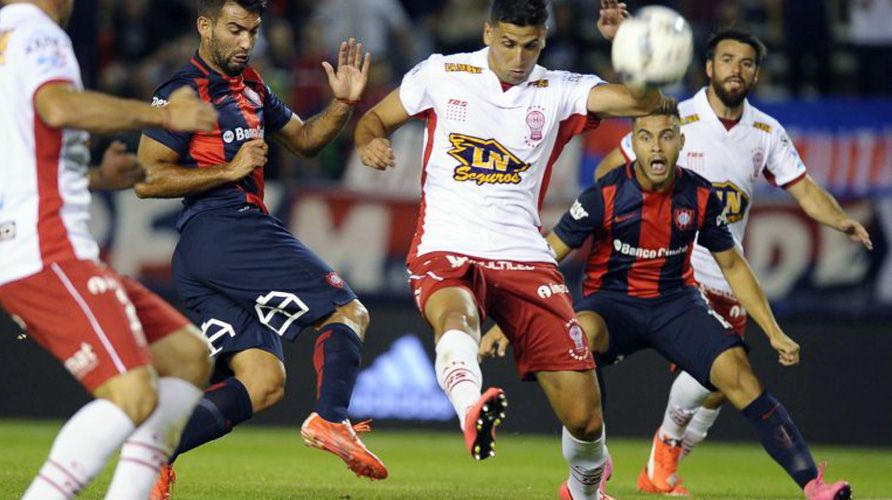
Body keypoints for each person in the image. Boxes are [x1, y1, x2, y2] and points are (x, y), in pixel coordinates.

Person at [355, 0, 651, 498]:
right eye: (508, 43)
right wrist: (369, 142)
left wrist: (625, 46)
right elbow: (372, 121)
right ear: (488, 32)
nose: (518, 57)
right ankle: (471, 408)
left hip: (523, 254)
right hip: (446, 243)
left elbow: (645, 103)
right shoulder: (442, 73)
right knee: (456, 317)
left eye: (530, 46)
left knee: (584, 416)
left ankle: (584, 488)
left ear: (544, 40)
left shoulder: (560, 89)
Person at [482, 104, 852, 500]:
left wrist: (773, 331)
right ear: (632, 144)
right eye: (645, 137)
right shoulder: (601, 197)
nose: (656, 147)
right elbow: (547, 256)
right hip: (611, 307)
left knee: (740, 376)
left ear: (681, 141)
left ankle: (814, 485)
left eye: (666, 136)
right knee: (579, 336)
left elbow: (733, 265)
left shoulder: (700, 194)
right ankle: (592, 466)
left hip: (676, 304)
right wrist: (508, 320)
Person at [592, 29, 872, 495]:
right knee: (727, 369)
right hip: (674, 271)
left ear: (756, 73)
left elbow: (802, 189)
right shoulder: (673, 117)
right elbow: (608, 171)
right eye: (727, 60)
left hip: (727, 270)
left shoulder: (765, 132)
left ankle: (662, 461)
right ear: (708, 67)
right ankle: (655, 453)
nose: (736, 70)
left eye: (745, 63)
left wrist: (841, 221)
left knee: (720, 385)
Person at [135, 0, 387, 496]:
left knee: (263, 381)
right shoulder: (181, 93)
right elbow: (145, 177)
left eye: (253, 31)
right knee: (348, 312)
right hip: (225, 229)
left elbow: (308, 140)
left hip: (209, 252)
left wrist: (341, 104)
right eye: (234, 30)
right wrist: (228, 171)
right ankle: (332, 420)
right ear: (204, 26)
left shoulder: (253, 87)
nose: (246, 42)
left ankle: (154, 453)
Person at [0, 0, 219, 498]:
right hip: (47, 248)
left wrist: (95, 177)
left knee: (187, 356)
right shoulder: (39, 33)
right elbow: (60, 106)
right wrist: (163, 113)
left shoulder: (1, 45)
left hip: (36, 246)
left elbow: (20, 159)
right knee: (133, 392)